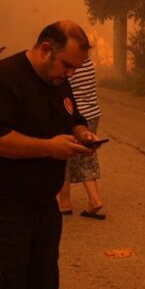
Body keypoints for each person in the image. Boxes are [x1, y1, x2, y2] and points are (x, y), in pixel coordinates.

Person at [0, 21, 100, 289]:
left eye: (76, 68)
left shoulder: (59, 81)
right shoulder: (4, 77)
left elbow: (73, 117)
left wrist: (83, 133)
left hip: (40, 202)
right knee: (3, 285)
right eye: (67, 65)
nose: (70, 74)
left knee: (39, 286)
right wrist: (49, 148)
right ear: (46, 49)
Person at [57, 57, 106, 219]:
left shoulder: (68, 65)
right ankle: (94, 199)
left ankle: (64, 203)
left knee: (64, 156)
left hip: (73, 116)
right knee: (87, 155)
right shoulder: (88, 62)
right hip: (92, 113)